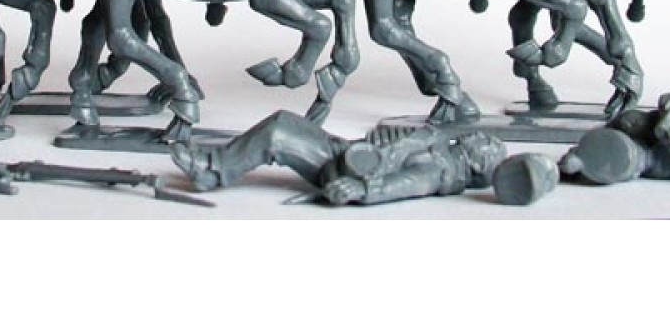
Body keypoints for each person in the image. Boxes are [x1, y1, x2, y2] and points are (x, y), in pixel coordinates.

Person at [172, 110, 505, 205]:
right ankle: (220, 161)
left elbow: (403, 185)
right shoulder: (440, 145)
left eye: (485, 143)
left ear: (477, 164)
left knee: (277, 135)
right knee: (284, 120)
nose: (479, 136)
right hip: (349, 150)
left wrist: (361, 190)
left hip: (345, 170)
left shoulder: (438, 170)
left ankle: (212, 171)